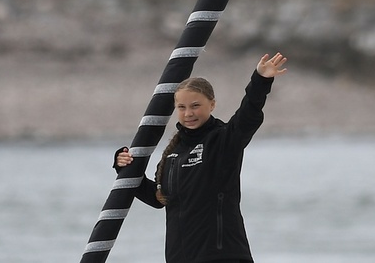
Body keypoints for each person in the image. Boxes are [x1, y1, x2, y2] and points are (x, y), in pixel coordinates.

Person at [113, 52, 287, 263]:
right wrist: (125, 168)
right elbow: (158, 199)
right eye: (182, 107)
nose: (188, 113)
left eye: (195, 105)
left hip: (224, 256)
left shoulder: (223, 140)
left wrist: (260, 80)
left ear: (211, 105)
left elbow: (248, 114)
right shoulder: (172, 154)